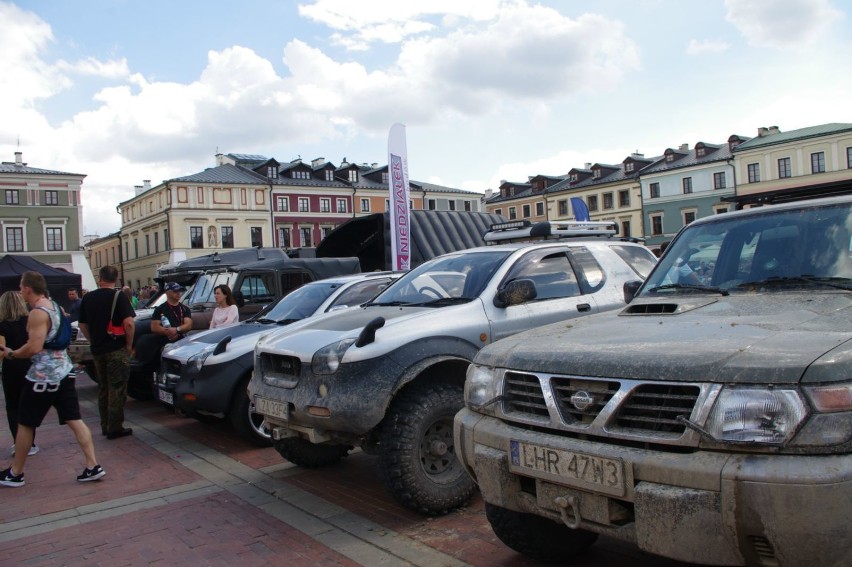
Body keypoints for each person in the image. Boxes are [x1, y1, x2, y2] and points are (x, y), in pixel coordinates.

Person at [0, 271, 105, 487]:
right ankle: (92, 465)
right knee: (74, 419)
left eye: (21, 287)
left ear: (28, 288)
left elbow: (34, 347)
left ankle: (16, 473)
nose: (20, 291)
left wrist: (11, 353)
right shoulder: (55, 306)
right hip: (64, 371)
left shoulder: (38, 313)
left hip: (43, 376)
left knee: (25, 423)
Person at [78, 265, 135, 440]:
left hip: (98, 349)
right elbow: (129, 324)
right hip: (116, 348)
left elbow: (82, 325)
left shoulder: (88, 298)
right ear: (116, 279)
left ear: (99, 278)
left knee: (103, 387)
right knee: (117, 387)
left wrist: (92, 340)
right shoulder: (119, 297)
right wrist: (128, 344)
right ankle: (115, 427)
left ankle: (105, 424)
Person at [0, 291, 38, 456]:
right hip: (29, 365)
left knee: (13, 406)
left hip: (11, 367)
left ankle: (18, 441)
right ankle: (31, 442)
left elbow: (1, 350)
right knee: (29, 405)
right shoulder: (29, 321)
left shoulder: (1, 324)